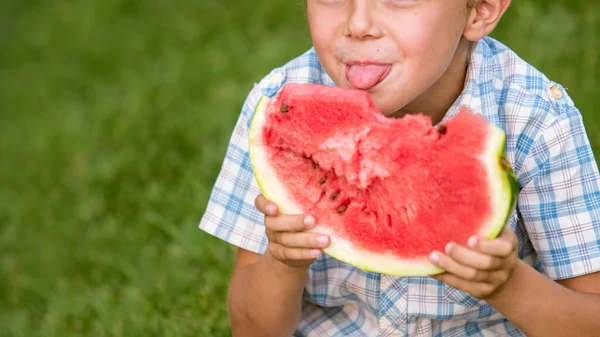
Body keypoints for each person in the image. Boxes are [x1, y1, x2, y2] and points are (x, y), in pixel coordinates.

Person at [199, 0, 600, 336]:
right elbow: (251, 329)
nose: (358, 24)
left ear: (480, 9)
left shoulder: (536, 119)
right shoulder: (280, 111)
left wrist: (509, 285)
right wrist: (283, 263)